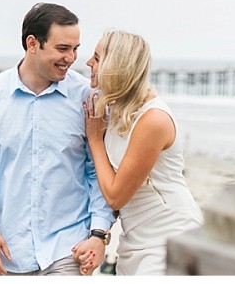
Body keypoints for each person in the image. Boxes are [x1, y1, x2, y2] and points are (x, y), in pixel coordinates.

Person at [0, 3, 116, 276]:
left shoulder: (87, 98)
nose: (72, 57)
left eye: (76, 49)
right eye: (63, 48)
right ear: (32, 43)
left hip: (70, 250)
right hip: (9, 252)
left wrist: (99, 234)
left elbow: (97, 170)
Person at [79, 30, 203, 275]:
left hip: (171, 235)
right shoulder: (113, 109)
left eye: (97, 57)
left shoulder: (153, 119)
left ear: (115, 65)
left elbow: (115, 196)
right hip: (133, 239)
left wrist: (95, 140)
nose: (88, 62)